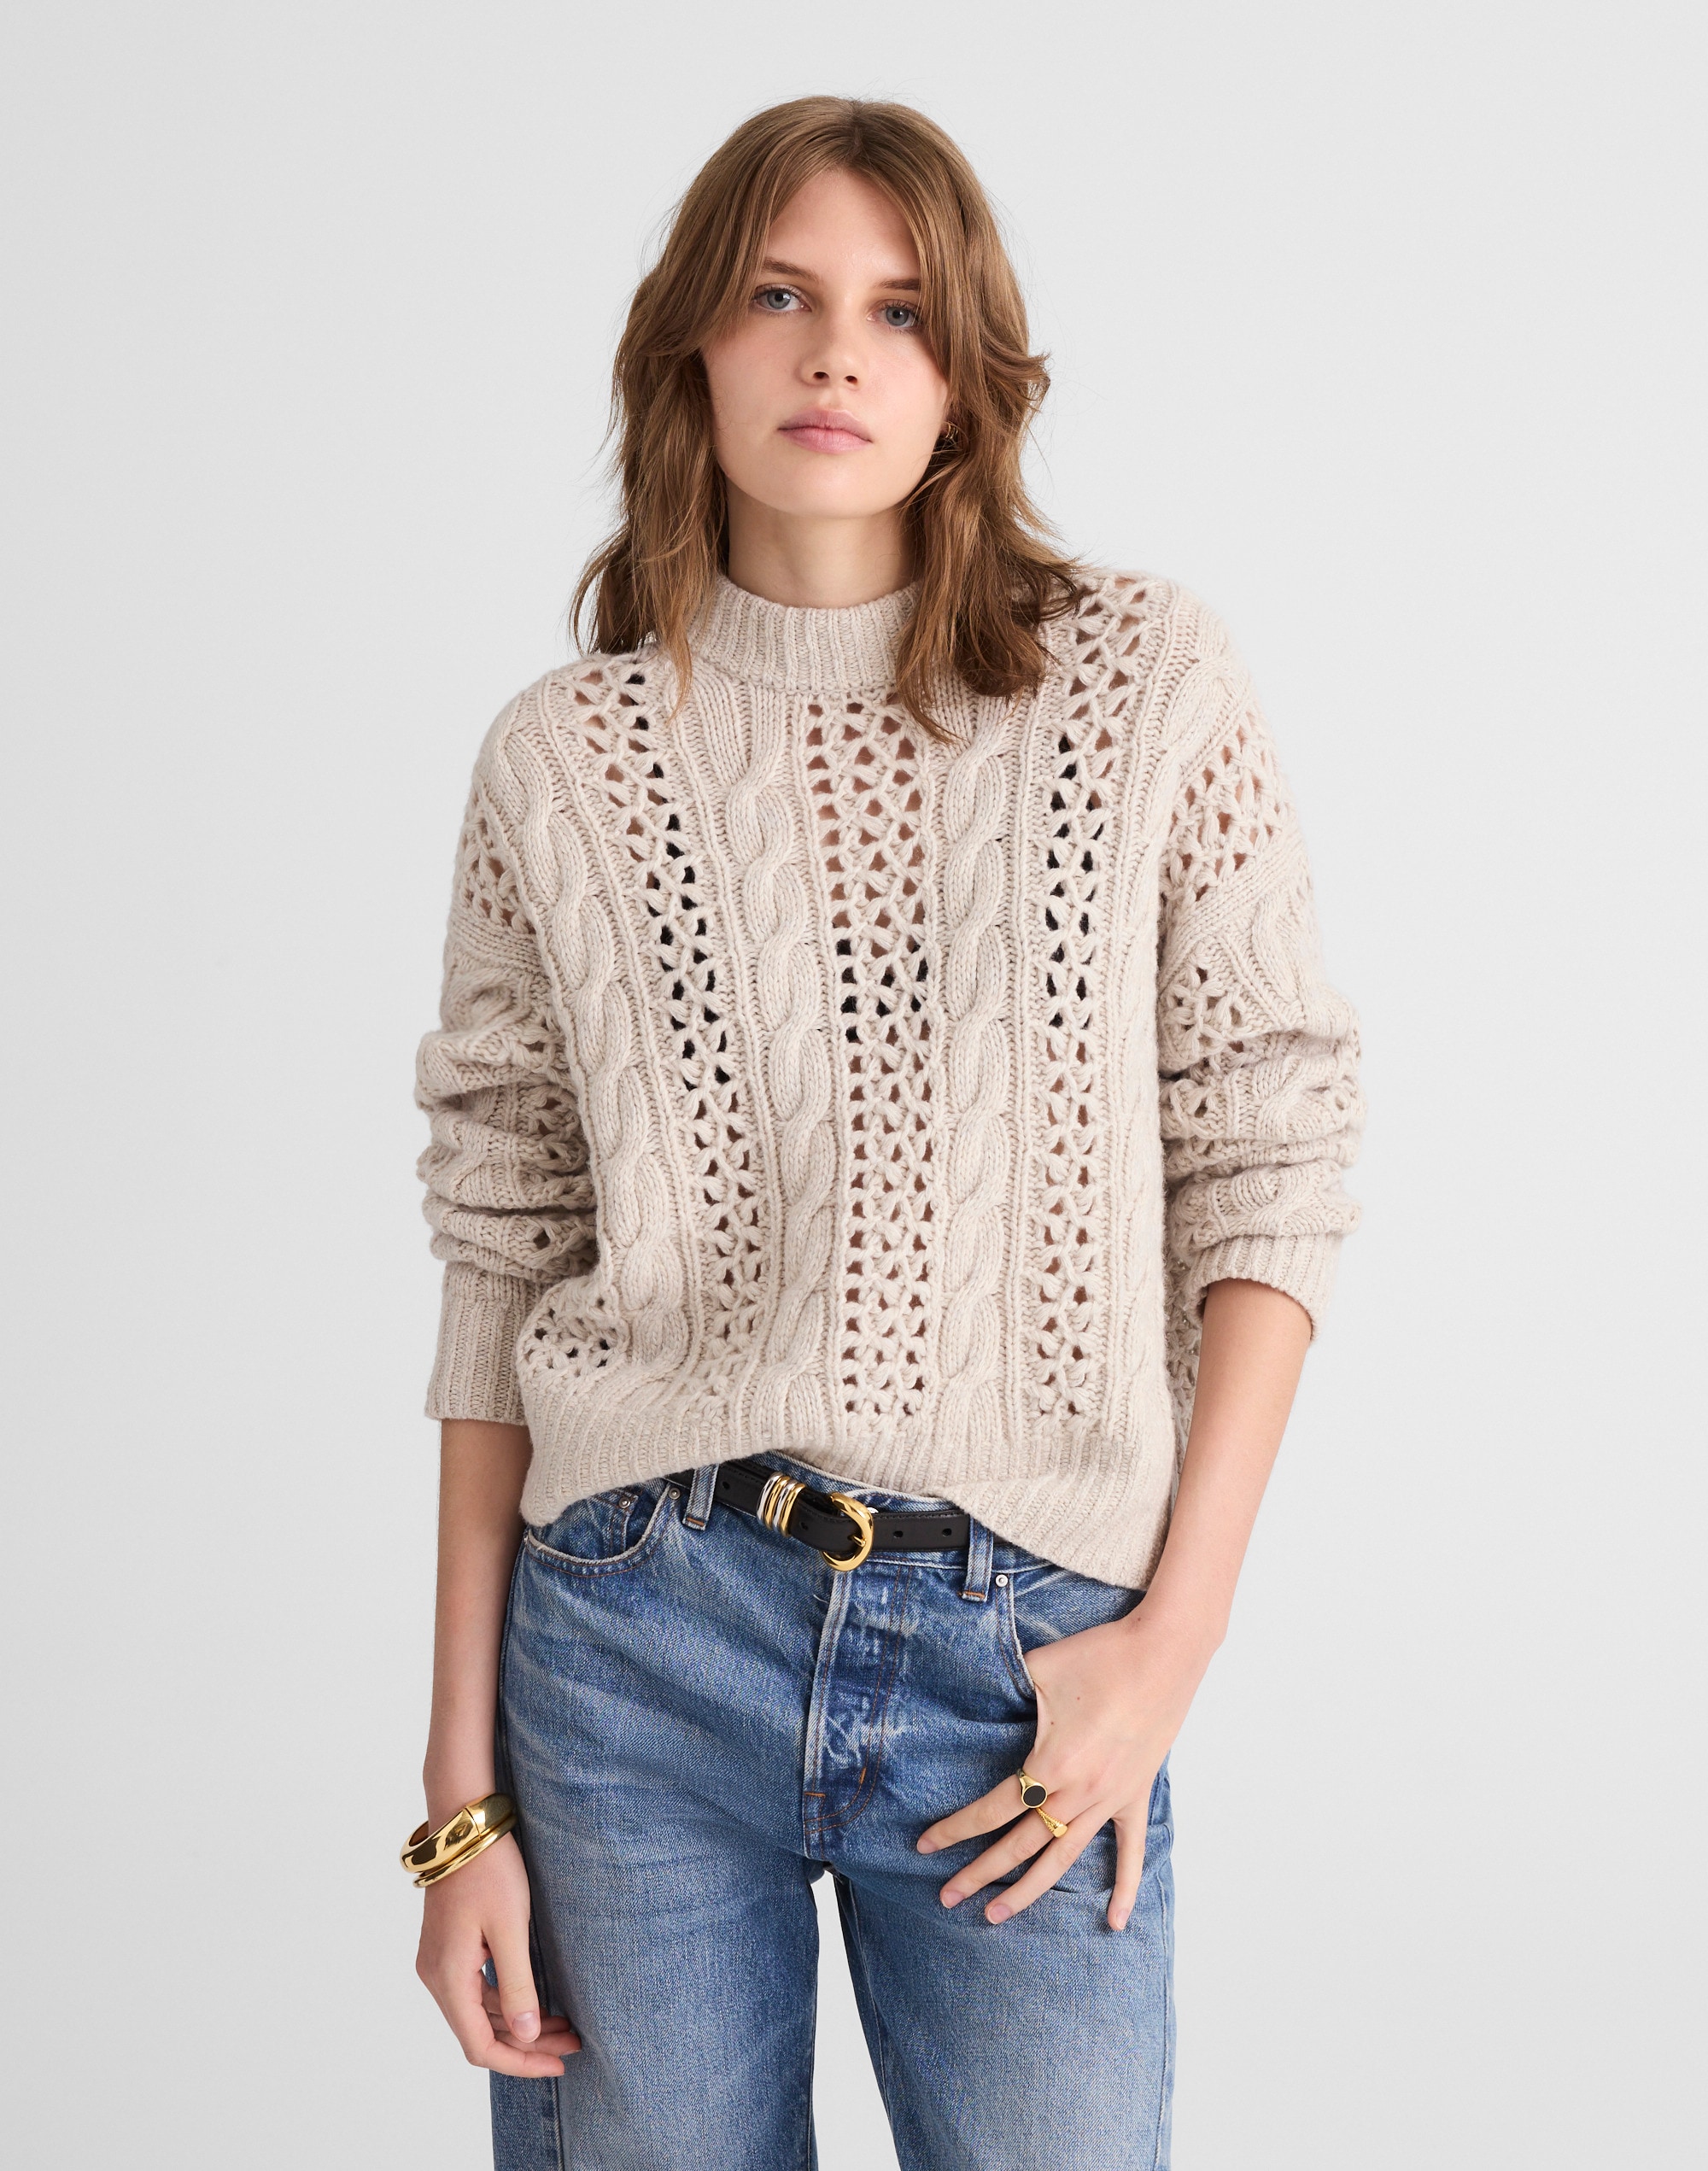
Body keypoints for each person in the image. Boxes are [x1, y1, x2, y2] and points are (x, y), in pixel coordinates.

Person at [407, 94, 1363, 2171]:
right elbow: (499, 1256)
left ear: (966, 376)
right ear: (690, 342)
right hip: (635, 1639)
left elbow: (1272, 1156)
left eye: (900, 310)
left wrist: (1170, 1640)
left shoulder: (1144, 685)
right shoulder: (562, 762)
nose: (837, 351)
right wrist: (458, 1800)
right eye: (780, 295)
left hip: (1029, 1657)